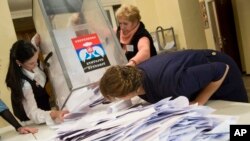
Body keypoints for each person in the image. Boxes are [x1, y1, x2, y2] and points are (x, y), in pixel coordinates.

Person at [99, 49, 248, 105]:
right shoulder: (135, 77)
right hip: (196, 75)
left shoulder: (171, 84)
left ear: (125, 95)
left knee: (238, 125)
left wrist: (198, 101)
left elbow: (220, 69)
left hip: (220, 69)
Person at [5, 39, 68, 125]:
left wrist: (35, 41)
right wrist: (53, 114)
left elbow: (35, 42)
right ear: (19, 63)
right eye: (31, 63)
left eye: (36, 59)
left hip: (47, 115)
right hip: (32, 122)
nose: (35, 65)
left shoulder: (33, 61)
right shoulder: (24, 84)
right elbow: (33, 113)